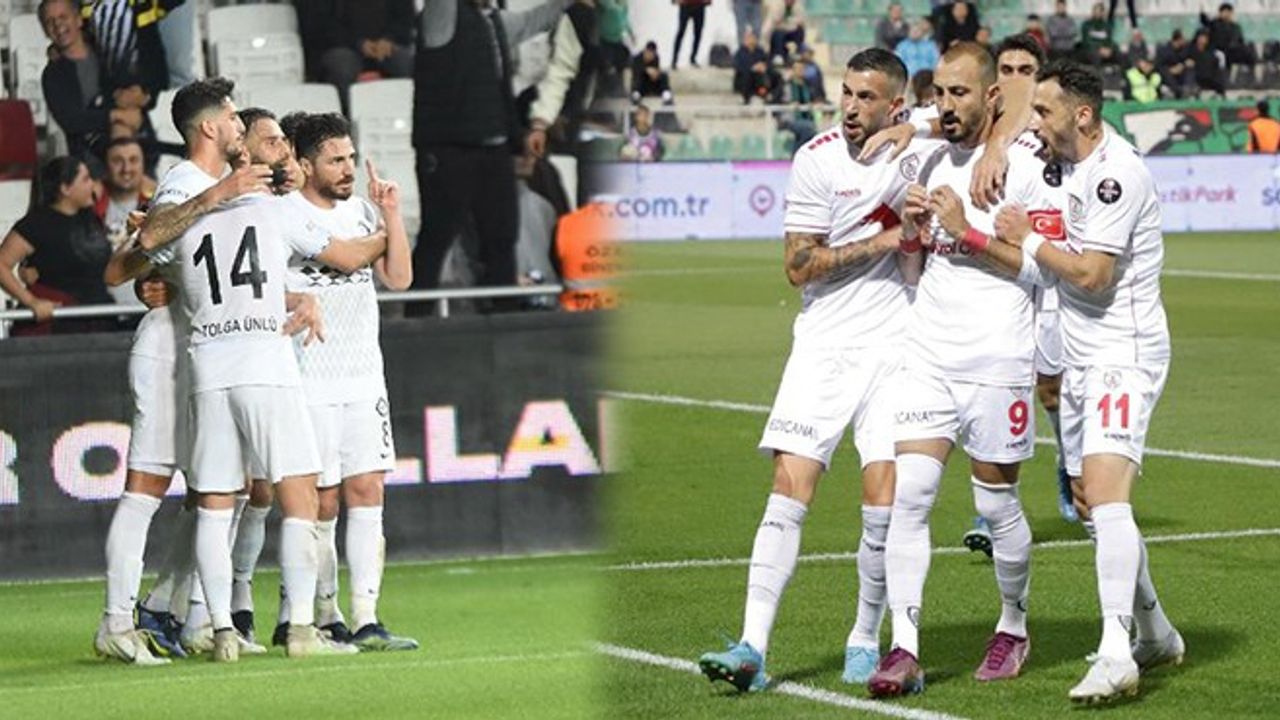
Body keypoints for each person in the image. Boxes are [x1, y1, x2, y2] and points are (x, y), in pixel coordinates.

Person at [697, 48, 939, 694]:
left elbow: (978, 114)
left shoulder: (920, 149)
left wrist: (917, 125)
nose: (851, 108)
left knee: (884, 496)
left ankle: (864, 636)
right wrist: (887, 240)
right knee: (789, 485)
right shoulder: (817, 158)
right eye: (847, 93)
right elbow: (798, 265)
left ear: (894, 104)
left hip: (897, 344)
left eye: (867, 98)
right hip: (824, 344)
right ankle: (752, 646)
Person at [122, 77, 385, 662]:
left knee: (215, 505)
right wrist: (386, 228)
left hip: (209, 366)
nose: (251, 135)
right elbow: (347, 255)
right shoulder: (272, 208)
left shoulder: (191, 208)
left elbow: (145, 253)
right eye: (249, 130)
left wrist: (154, 278)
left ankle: (218, 630)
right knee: (298, 498)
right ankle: (300, 629)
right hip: (267, 363)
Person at [988, 59, 1184, 703]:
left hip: (1123, 353)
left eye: (1044, 112)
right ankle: (1156, 632)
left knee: (1103, 490)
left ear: (1083, 114)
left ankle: (1116, 653)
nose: (1035, 123)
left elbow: (1095, 276)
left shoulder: (1115, 174)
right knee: (1091, 497)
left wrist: (1027, 240)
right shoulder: (1065, 161)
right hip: (1080, 356)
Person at [866, 42, 1051, 698]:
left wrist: (966, 230)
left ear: (991, 96)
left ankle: (1012, 625)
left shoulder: (1024, 168)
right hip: (929, 355)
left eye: (959, 93)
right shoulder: (926, 159)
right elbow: (914, 263)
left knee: (994, 504)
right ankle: (904, 647)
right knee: (910, 497)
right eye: (939, 93)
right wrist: (914, 231)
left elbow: (1040, 269)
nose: (945, 105)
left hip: (998, 357)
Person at [271, 112, 417, 652]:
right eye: (335, 160)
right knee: (323, 500)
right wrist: (377, 239)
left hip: (364, 377)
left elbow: (399, 278)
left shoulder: (362, 212)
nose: (347, 168)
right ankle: (322, 611)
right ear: (306, 165)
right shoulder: (287, 214)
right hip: (309, 375)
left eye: (351, 157)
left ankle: (367, 617)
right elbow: (350, 257)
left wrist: (391, 214)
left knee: (367, 490)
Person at [410, 0, 570, 315]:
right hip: (448, 150)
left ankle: (503, 318)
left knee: (501, 240)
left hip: (494, 149)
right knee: (436, 239)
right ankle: (416, 319)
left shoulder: (495, 22)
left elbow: (536, 19)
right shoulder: (442, 15)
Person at [0, 156, 116, 336]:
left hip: (100, 318)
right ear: (65, 189)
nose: (92, 185)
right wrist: (32, 302)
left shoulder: (90, 218)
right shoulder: (36, 224)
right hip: (58, 324)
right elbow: (2, 264)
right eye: (85, 179)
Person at [40, 0, 146, 160]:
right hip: (90, 156)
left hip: (138, 136)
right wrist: (116, 116)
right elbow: (72, 120)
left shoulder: (107, 51)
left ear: (79, 19)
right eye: (50, 21)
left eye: (63, 17)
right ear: (45, 31)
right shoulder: (53, 75)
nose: (57, 24)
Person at [526, 0, 607, 161]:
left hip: (578, 114)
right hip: (562, 118)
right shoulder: (575, 16)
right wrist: (541, 123)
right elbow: (559, 71)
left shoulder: (597, 15)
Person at [312, 0, 416, 113]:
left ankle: (404, 114)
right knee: (343, 66)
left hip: (387, 46)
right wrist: (359, 44)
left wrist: (389, 39)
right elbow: (325, 24)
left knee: (404, 62)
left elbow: (406, 19)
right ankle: (347, 116)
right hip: (344, 46)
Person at [1199, 3, 1256, 79]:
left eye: (1229, 12)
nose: (1227, 14)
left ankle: (1249, 77)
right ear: (1220, 13)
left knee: (1249, 53)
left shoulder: (1236, 27)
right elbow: (1205, 21)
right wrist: (1202, 10)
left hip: (1233, 50)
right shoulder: (1214, 24)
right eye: (1224, 12)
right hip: (1218, 50)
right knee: (1222, 57)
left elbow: (1240, 40)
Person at [733, 28, 779, 104]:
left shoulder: (760, 51)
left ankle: (773, 96)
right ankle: (748, 97)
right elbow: (738, 66)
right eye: (749, 38)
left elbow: (768, 62)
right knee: (747, 75)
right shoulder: (740, 53)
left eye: (753, 38)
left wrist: (764, 66)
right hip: (745, 78)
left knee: (776, 75)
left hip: (759, 77)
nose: (751, 40)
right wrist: (753, 68)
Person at [895, 17, 939, 83]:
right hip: (908, 77)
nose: (914, 33)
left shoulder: (930, 45)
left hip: (927, 77)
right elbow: (898, 62)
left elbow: (936, 61)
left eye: (917, 31)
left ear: (922, 32)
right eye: (912, 31)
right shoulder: (902, 46)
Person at [761, 0, 805, 65]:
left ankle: (797, 52)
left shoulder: (797, 5)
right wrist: (791, 21)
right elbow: (776, 20)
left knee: (800, 30)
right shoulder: (777, 5)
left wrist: (788, 21)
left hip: (788, 30)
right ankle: (778, 55)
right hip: (773, 33)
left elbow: (801, 20)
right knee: (779, 32)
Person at [1155, 29, 1194, 98]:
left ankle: (1187, 89)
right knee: (1165, 72)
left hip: (1181, 73)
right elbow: (1159, 66)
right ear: (1178, 40)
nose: (1185, 41)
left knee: (1190, 69)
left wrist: (1183, 65)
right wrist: (1171, 70)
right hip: (1167, 74)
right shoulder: (1164, 50)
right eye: (1183, 39)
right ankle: (1177, 91)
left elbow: (1187, 60)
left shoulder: (1184, 49)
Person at [673, 0, 711, 69]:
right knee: (681, 32)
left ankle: (693, 58)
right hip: (685, 5)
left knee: (698, 33)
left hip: (699, 5)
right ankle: (674, 60)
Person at [1190, 29, 1226, 97]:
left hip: (1210, 75)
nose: (1201, 40)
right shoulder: (1191, 49)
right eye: (1200, 38)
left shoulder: (1211, 51)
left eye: (1204, 38)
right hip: (1196, 74)